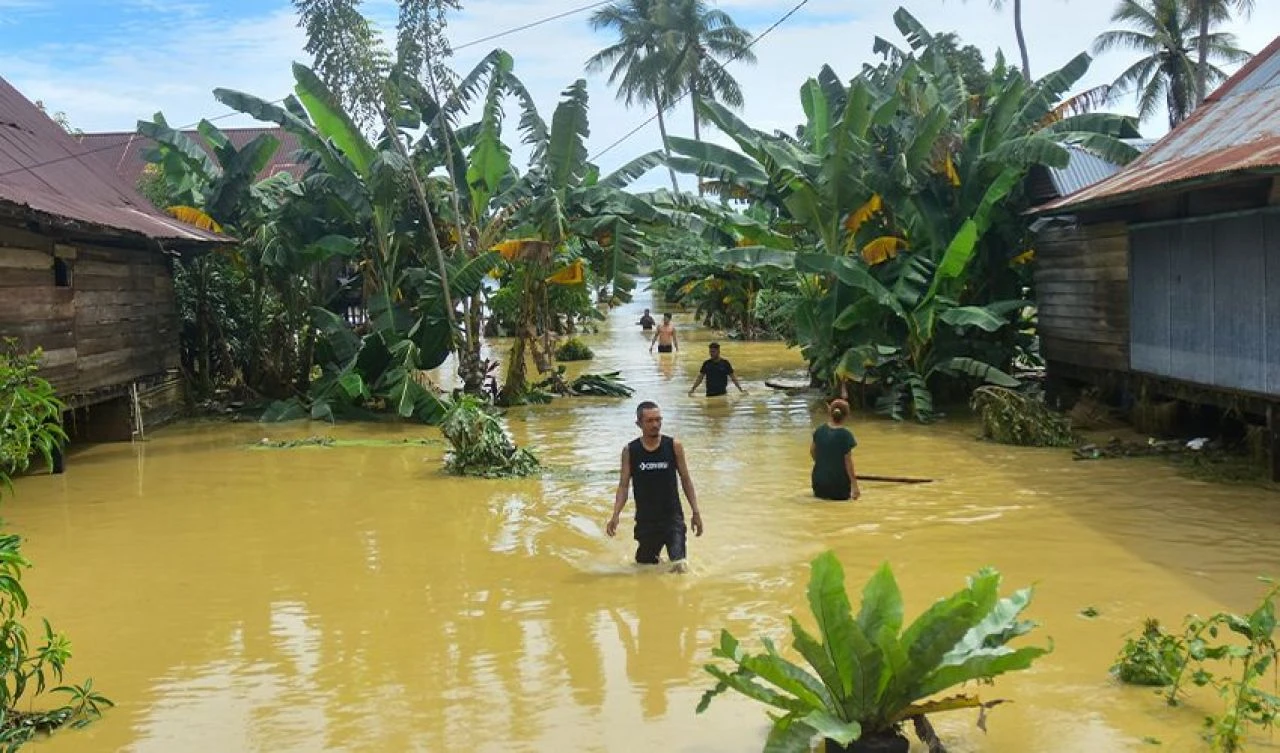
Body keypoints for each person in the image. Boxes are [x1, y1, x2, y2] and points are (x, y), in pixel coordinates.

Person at [607, 401, 703, 571]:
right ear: (639, 423)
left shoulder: (673, 446)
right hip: (646, 521)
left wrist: (695, 512)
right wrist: (615, 515)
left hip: (672, 518)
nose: (655, 425)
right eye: (650, 421)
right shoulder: (631, 450)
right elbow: (623, 486)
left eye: (658, 420)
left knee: (679, 566)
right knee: (644, 569)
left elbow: (686, 479)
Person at [810, 398, 860, 501]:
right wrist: (855, 486)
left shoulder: (819, 430)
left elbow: (812, 451)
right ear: (847, 415)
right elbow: (848, 462)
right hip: (838, 484)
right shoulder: (846, 435)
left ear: (830, 412)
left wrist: (823, 464)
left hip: (819, 482)